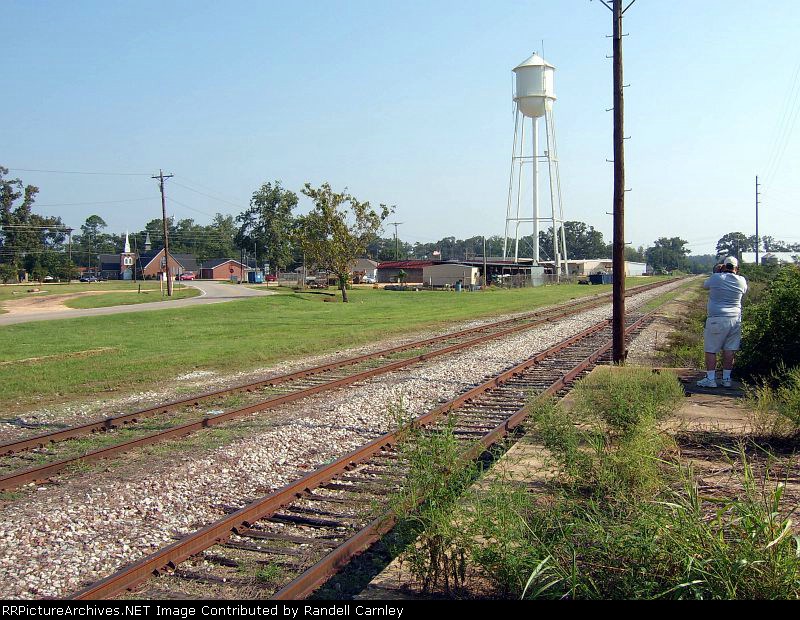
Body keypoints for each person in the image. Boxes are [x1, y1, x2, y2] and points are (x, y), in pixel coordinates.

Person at [697, 256, 748, 388]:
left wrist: (716, 272)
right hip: (735, 320)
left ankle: (711, 379)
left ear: (724, 266)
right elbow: (744, 290)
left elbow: (704, 285)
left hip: (717, 319)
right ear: (736, 268)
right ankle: (726, 379)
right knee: (729, 350)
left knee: (711, 350)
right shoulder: (742, 281)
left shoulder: (716, 278)